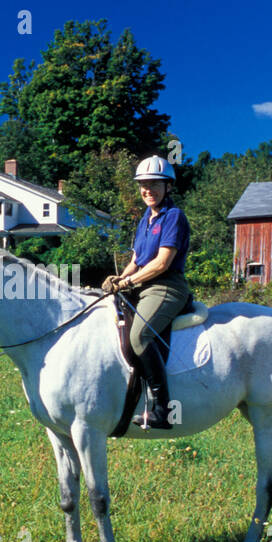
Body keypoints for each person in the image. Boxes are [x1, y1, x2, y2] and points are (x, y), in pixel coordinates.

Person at [102, 155, 191, 430]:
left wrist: (129, 283)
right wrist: (120, 277)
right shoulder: (145, 218)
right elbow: (137, 260)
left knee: (139, 335)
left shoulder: (173, 217)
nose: (147, 190)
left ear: (168, 187)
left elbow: (162, 263)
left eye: (154, 184)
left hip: (167, 286)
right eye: (143, 184)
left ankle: (161, 409)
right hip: (143, 282)